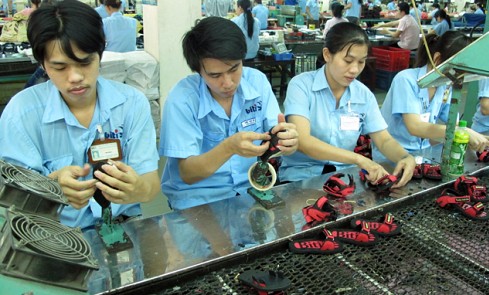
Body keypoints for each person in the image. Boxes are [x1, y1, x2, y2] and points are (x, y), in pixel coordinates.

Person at [0, 0, 160, 229]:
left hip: (122, 227)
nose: (75, 77)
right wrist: (50, 188)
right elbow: (14, 202)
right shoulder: (21, 114)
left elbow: (151, 185)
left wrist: (137, 189)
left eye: (84, 62)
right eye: (60, 67)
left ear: (100, 54)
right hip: (54, 237)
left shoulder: (132, 104)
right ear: (43, 64)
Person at [159, 17, 299, 210]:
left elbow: (276, 137)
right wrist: (229, 148)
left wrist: (287, 142)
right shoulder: (182, 100)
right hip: (198, 198)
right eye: (215, 75)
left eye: (234, 68)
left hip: (251, 188)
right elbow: (188, 174)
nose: (228, 83)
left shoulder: (257, 82)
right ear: (198, 70)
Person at [280, 22, 416, 188]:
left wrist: (405, 157)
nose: (354, 70)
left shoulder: (363, 95)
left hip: (344, 179)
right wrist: (358, 159)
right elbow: (303, 141)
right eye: (348, 61)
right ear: (327, 55)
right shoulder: (301, 86)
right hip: (300, 177)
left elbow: (384, 140)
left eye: (361, 62)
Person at [380, 31, 489, 153]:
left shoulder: (445, 86)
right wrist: (463, 132)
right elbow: (415, 127)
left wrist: (483, 139)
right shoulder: (406, 79)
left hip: (422, 152)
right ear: (437, 58)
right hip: (393, 154)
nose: (460, 76)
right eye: (458, 69)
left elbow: (455, 125)